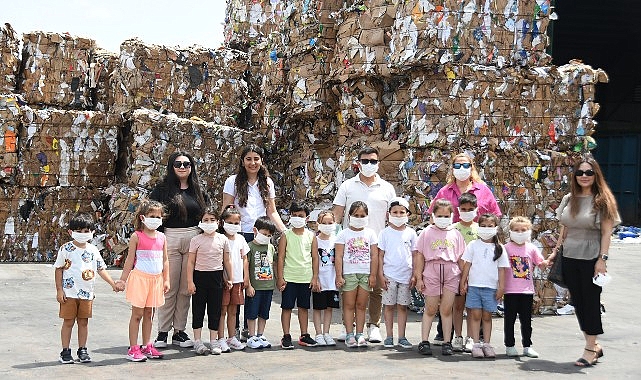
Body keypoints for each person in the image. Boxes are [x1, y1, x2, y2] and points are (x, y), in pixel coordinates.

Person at [548, 156, 619, 367]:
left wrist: (602, 260)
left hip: (591, 257)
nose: (584, 176)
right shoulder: (570, 199)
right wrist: (555, 252)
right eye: (580, 173)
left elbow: (607, 233)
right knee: (578, 303)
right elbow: (565, 228)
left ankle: (590, 347)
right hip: (570, 256)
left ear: (596, 175)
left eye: (589, 172)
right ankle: (594, 345)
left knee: (591, 303)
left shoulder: (602, 200)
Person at [429, 152, 501, 346]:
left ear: (472, 167)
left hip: (478, 250)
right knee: (452, 295)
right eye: (457, 165)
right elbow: (433, 216)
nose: (462, 169)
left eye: (465, 165)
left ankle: (475, 336)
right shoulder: (445, 191)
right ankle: (447, 332)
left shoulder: (483, 190)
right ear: (452, 168)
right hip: (450, 251)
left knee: (475, 294)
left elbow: (495, 216)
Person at [222, 144, 286, 341]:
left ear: (261, 161)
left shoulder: (266, 183)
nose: (253, 163)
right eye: (248, 159)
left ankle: (250, 329)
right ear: (242, 161)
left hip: (260, 238)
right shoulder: (232, 181)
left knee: (256, 284)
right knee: (239, 282)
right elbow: (227, 207)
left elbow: (271, 211)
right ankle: (236, 327)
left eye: (256, 159)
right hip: (238, 236)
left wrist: (285, 232)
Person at [332, 146, 396, 343]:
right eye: (365, 161)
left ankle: (373, 326)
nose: (369, 165)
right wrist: (332, 239)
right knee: (348, 287)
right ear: (358, 163)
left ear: (378, 163)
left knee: (375, 286)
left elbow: (393, 216)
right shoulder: (347, 186)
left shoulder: (387, 188)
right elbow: (337, 214)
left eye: (373, 161)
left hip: (376, 245)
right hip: (350, 246)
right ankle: (347, 326)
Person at [151, 152, 208, 348]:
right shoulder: (161, 190)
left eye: (187, 163)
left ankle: (179, 331)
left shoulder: (198, 190)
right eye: (178, 163)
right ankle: (162, 332)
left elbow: (205, 215)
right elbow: (153, 215)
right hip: (170, 237)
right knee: (169, 287)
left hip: (193, 238)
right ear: (171, 166)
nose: (182, 167)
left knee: (186, 289)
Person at [54, 213, 121, 364]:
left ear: (92, 232)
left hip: (87, 294)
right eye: (79, 231)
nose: (83, 234)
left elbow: (101, 269)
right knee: (68, 322)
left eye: (86, 231)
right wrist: (59, 290)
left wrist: (113, 284)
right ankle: (65, 351)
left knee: (83, 322)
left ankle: (82, 349)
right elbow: (58, 269)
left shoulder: (93, 250)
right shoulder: (66, 249)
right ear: (71, 232)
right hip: (69, 294)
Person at [118, 200, 170, 362]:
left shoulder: (162, 237)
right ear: (143, 217)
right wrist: (122, 280)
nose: (155, 219)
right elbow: (129, 260)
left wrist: (166, 279)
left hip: (156, 280)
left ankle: (147, 345)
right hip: (140, 279)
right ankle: (133, 348)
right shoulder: (136, 236)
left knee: (150, 314)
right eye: (151, 216)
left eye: (158, 216)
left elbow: (166, 260)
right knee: (137, 314)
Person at [413, 199, 466, 356]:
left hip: (451, 272)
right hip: (432, 270)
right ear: (433, 215)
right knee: (430, 308)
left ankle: (447, 342)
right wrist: (419, 277)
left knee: (446, 309)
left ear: (451, 216)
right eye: (439, 215)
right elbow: (419, 256)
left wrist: (464, 278)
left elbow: (461, 258)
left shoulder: (456, 234)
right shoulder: (426, 232)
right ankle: (424, 341)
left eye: (446, 215)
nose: (443, 218)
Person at [459, 213, 510, 358]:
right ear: (478, 227)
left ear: (495, 228)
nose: (486, 229)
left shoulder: (499, 248)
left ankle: (487, 344)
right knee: (475, 315)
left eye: (490, 226)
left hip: (491, 288)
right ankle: (476, 344)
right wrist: (463, 281)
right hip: (474, 286)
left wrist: (501, 287)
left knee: (487, 316)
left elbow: (502, 270)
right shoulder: (473, 245)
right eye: (483, 226)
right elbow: (467, 264)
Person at [186, 207, 232, 355]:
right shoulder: (196, 240)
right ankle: (198, 341)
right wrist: (190, 282)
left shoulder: (223, 239)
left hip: (216, 278)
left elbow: (227, 260)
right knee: (198, 310)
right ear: (200, 222)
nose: (209, 222)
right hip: (199, 277)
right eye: (206, 220)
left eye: (212, 220)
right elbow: (191, 262)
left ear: (218, 222)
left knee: (215, 310)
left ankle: (213, 340)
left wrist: (229, 277)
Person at [335, 201, 379, 348]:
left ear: (367, 216)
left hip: (365, 274)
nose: (359, 218)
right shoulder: (343, 234)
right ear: (349, 216)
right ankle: (349, 334)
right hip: (349, 274)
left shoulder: (371, 233)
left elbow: (374, 255)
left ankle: (360, 334)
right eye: (356, 215)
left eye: (362, 215)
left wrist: (373, 275)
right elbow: (339, 256)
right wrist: (339, 275)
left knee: (361, 305)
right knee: (348, 304)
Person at [504, 216, 548, 358]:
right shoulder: (506, 249)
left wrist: (547, 262)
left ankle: (527, 346)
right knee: (509, 320)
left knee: (526, 321)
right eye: (516, 230)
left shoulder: (532, 248)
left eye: (523, 230)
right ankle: (509, 345)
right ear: (510, 232)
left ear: (529, 231)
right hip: (510, 291)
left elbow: (540, 264)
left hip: (527, 291)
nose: (520, 232)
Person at [277, 202, 320, 349]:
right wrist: (280, 277)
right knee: (287, 307)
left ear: (306, 218)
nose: (297, 218)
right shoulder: (285, 235)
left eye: (300, 216)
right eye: (294, 215)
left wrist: (315, 277)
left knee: (303, 307)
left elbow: (315, 257)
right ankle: (286, 336)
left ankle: (304, 334)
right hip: (289, 278)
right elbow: (281, 257)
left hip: (305, 278)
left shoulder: (311, 236)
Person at [378, 197, 417, 350]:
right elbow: (380, 255)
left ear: (407, 214)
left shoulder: (411, 233)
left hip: (406, 276)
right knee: (388, 306)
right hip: (389, 276)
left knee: (402, 306)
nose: (398, 215)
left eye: (402, 212)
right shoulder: (384, 233)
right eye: (395, 212)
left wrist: (415, 274)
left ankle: (402, 336)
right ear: (389, 214)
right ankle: (389, 336)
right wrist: (380, 275)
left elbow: (415, 255)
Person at [218, 205, 249, 352]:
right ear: (223, 222)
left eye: (236, 223)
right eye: (230, 222)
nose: (233, 226)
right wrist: (226, 277)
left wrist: (246, 277)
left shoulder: (241, 239)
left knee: (233, 311)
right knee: (222, 310)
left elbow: (244, 259)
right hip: (225, 281)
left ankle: (231, 337)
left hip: (238, 280)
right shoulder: (220, 239)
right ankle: (220, 338)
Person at [452, 192, 479, 352]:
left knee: (471, 307)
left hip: (475, 275)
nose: (467, 211)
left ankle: (470, 337)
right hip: (457, 274)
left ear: (476, 209)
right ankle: (458, 336)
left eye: (470, 209)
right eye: (463, 209)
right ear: (458, 210)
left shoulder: (480, 229)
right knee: (457, 306)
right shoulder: (453, 229)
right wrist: (463, 274)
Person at [245, 216, 278, 349]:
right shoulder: (250, 247)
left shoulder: (270, 247)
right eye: (264, 234)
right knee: (252, 312)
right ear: (255, 231)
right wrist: (248, 285)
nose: (266, 237)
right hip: (255, 287)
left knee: (264, 312)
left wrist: (278, 279)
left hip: (268, 286)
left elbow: (274, 263)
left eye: (269, 235)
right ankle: (251, 336)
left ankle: (260, 334)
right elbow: (246, 267)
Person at [312, 210, 339, 346]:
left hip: (332, 281)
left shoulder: (336, 240)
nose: (327, 225)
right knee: (318, 308)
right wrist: (315, 278)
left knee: (329, 307)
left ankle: (327, 332)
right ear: (318, 224)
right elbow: (313, 260)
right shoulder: (315, 241)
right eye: (324, 223)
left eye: (330, 223)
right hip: (320, 281)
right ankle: (318, 333)